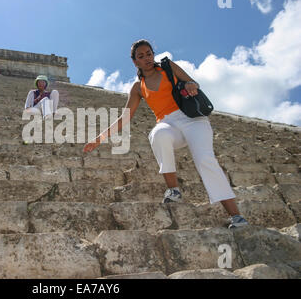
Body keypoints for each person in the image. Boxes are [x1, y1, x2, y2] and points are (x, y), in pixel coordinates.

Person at [83, 39, 248, 229]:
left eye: (149, 53)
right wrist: (100, 137)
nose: (147, 58)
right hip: (168, 124)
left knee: (205, 160)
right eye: (141, 56)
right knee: (158, 135)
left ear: (153, 54)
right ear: (135, 62)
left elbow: (192, 81)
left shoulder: (168, 67)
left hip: (192, 119)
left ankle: (236, 216)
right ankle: (173, 190)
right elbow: (124, 117)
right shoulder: (138, 87)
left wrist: (191, 85)